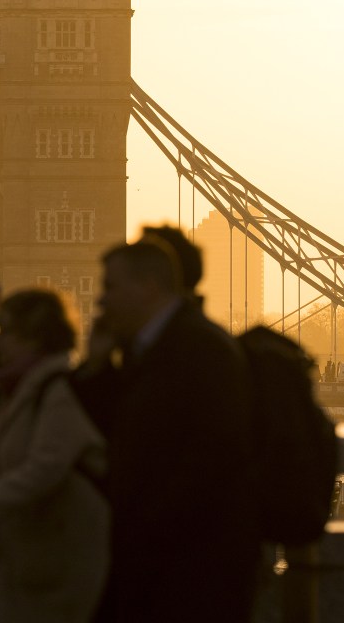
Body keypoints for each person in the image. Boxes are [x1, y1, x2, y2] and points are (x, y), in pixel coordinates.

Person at [72, 237, 257, 623]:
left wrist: (141, 526)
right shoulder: (148, 351)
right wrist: (95, 371)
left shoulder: (203, 352)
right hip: (155, 565)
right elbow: (117, 435)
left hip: (192, 576)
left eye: (110, 287)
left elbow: (211, 463)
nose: (101, 301)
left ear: (148, 288)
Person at [0, 289, 108, 623]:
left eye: (3, 331)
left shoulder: (59, 392)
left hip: (55, 563)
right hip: (27, 559)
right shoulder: (22, 390)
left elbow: (44, 468)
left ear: (33, 338)